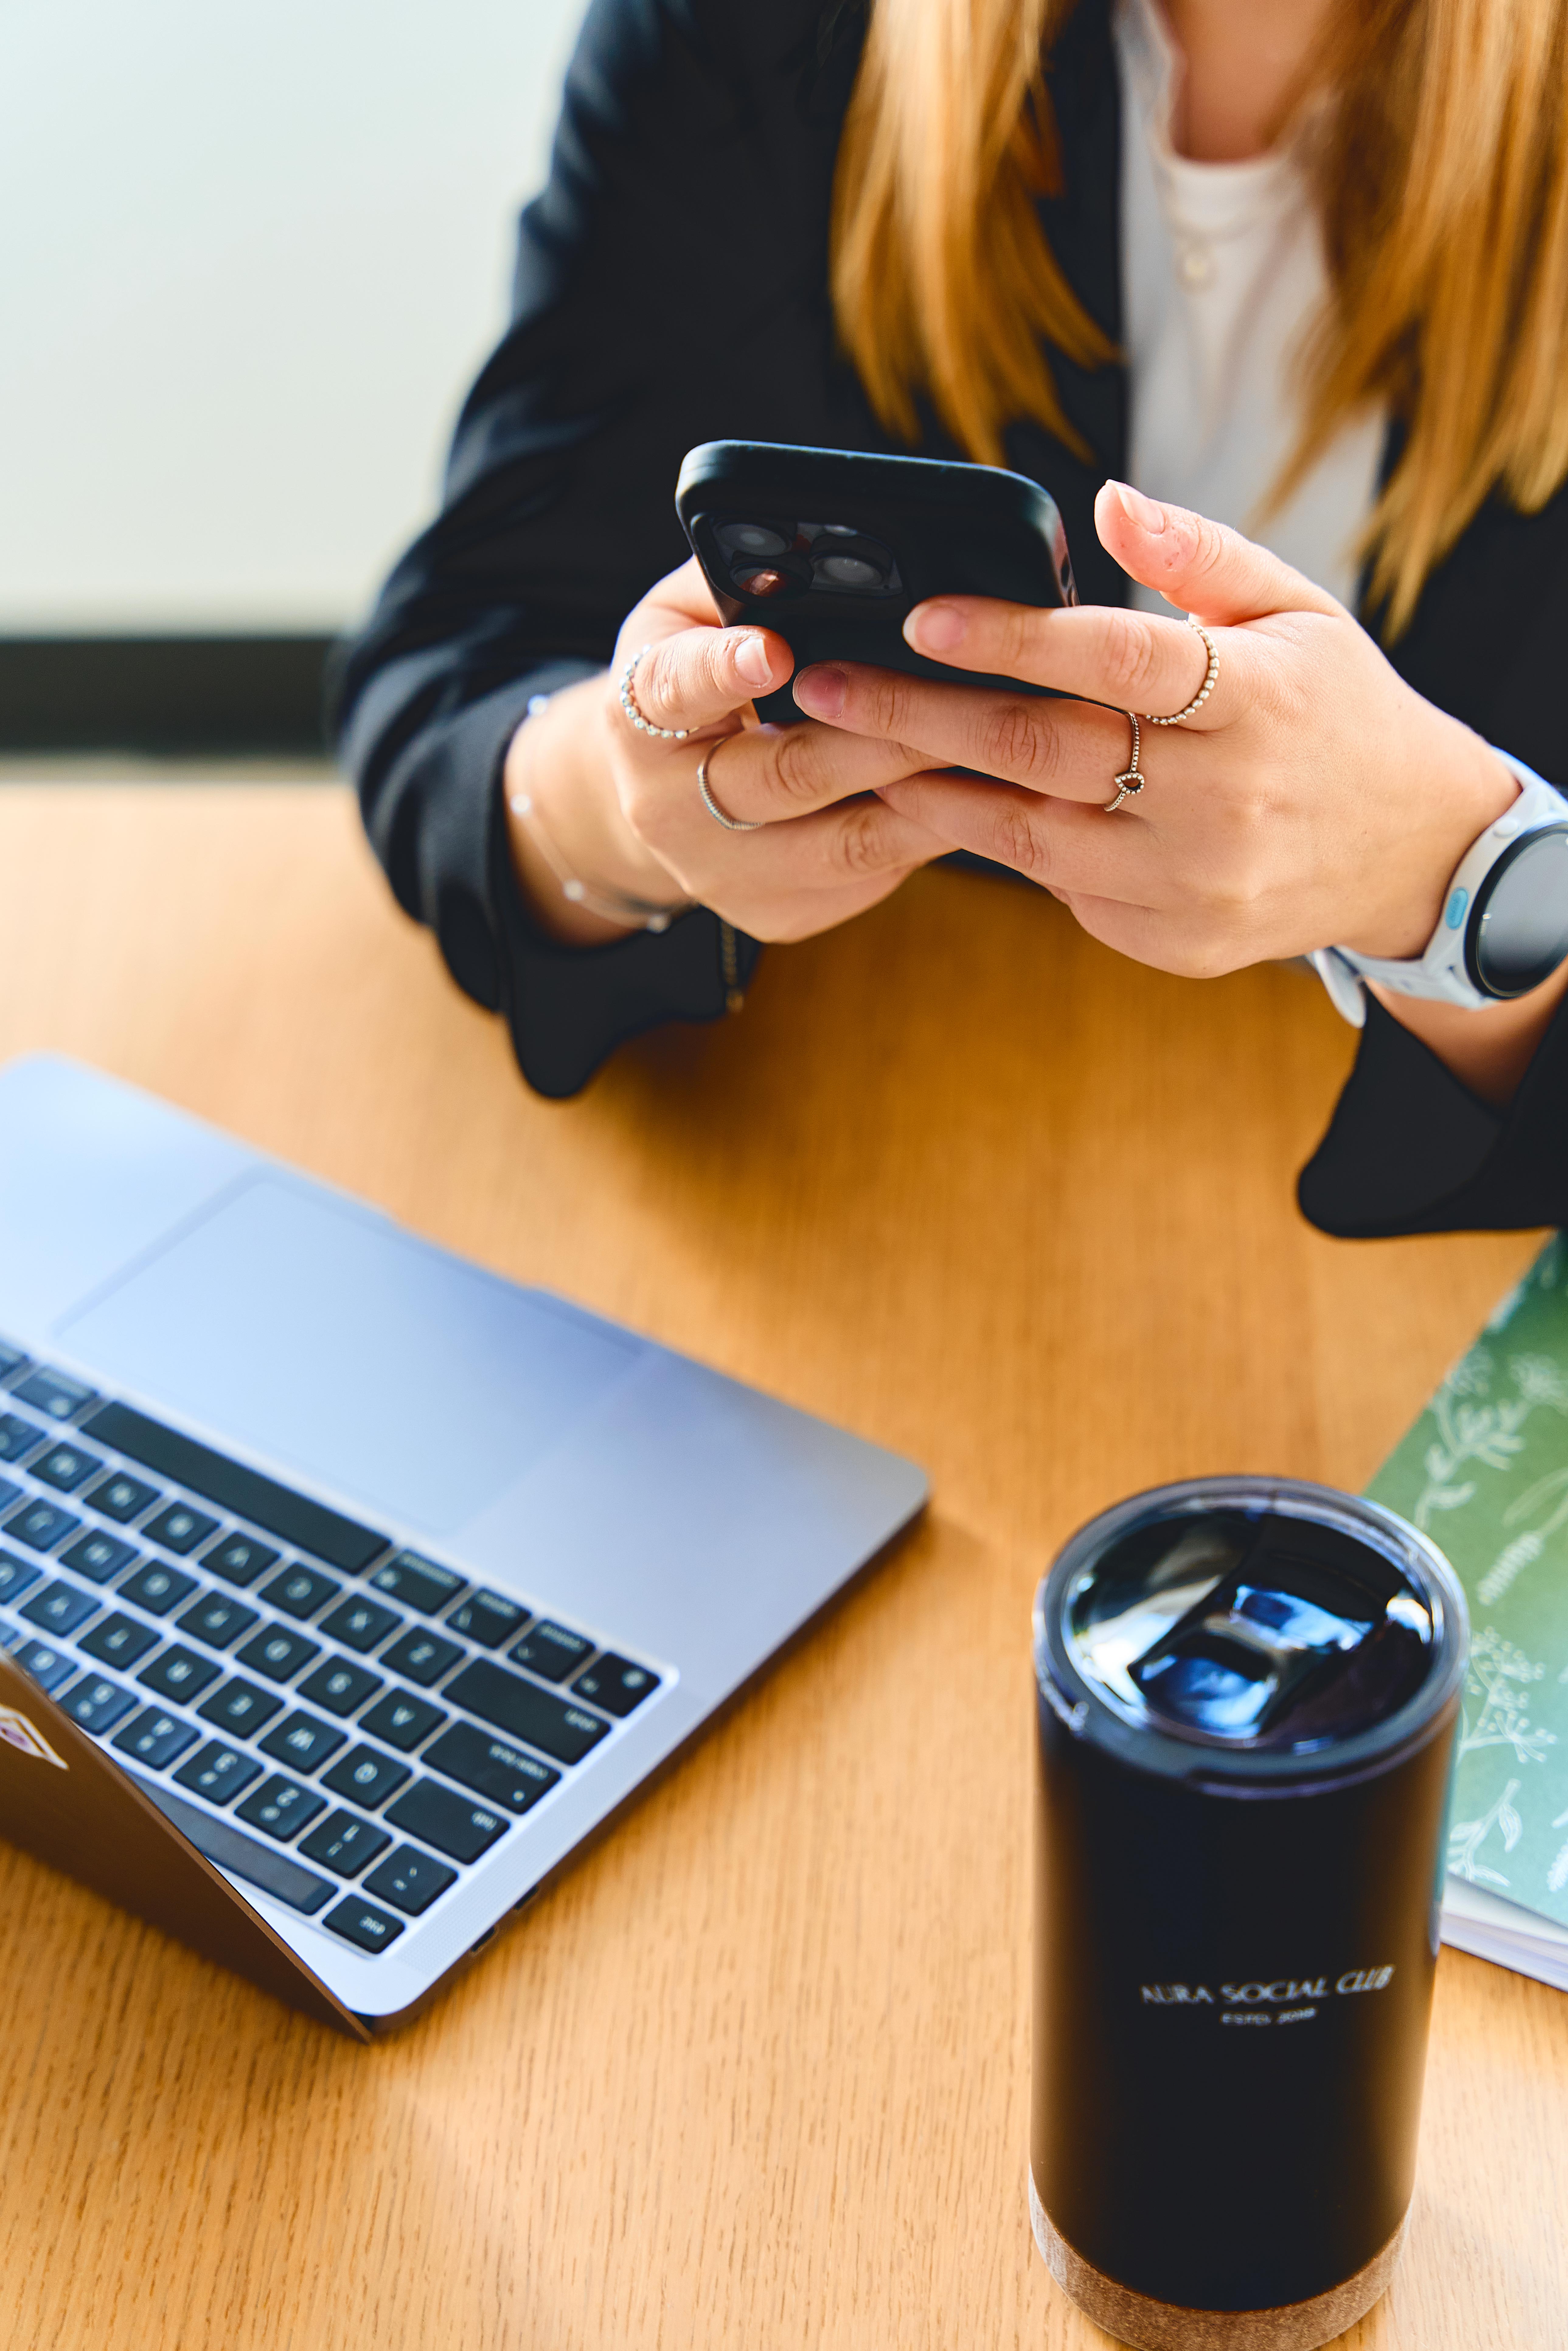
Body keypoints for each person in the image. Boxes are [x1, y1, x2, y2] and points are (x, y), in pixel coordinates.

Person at [336, 0, 1568, 1239]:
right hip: (880, 1127)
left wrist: (1456, 883)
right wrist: (616, 805)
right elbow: (459, 675)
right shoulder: (753, 36)